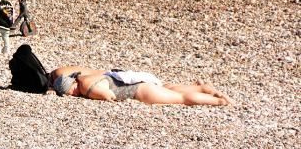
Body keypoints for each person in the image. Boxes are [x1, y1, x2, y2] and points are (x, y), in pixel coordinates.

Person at [49, 66, 232, 106]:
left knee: (181, 99)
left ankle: (219, 102)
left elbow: (110, 97)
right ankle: (204, 88)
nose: (72, 95)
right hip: (135, 79)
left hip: (138, 91)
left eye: (69, 93)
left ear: (71, 88)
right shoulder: (85, 77)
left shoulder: (88, 89)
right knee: (169, 89)